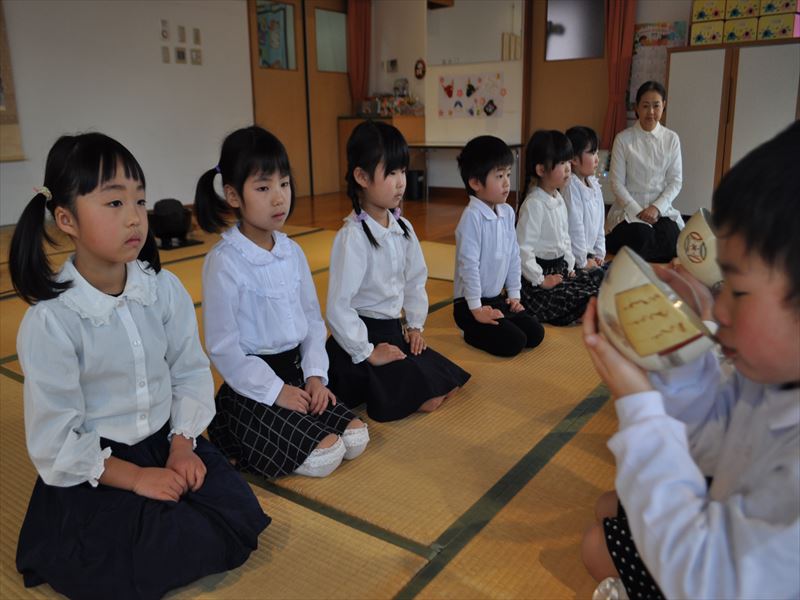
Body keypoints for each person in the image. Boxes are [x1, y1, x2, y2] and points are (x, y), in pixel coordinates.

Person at [9, 133, 269, 599]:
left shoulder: (162, 290)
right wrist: (137, 478)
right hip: (100, 468)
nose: (134, 217)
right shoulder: (51, 321)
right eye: (114, 202)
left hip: (163, 443)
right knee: (146, 549)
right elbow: (56, 440)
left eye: (140, 200)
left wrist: (183, 444)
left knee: (235, 510)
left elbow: (189, 370)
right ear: (66, 219)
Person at [581, 121, 800, 599]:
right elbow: (708, 442)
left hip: (708, 574)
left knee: (598, 541)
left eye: (738, 290)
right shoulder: (771, 376)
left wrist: (638, 404)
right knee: (607, 508)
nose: (720, 310)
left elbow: (708, 580)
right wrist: (681, 354)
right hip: (718, 525)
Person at [195, 126, 369, 479]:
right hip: (254, 387)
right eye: (263, 188)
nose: (279, 198)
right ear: (233, 195)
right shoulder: (224, 261)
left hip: (298, 374)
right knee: (327, 455)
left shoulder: (292, 251)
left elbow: (312, 322)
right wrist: (276, 392)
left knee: (356, 437)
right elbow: (224, 348)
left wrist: (316, 376)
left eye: (284, 184)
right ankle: (240, 435)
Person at [325, 121, 470, 422]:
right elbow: (339, 306)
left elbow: (415, 281)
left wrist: (415, 327)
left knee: (449, 382)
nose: (401, 182)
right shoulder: (352, 237)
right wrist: (367, 352)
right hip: (361, 337)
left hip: (394, 331)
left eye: (403, 171)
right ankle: (364, 375)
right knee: (429, 399)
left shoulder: (403, 228)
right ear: (362, 177)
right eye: (391, 173)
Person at [452, 135, 545, 357]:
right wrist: (476, 309)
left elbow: (513, 256)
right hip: (469, 304)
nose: (506, 183)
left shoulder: (507, 212)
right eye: (499, 176)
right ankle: (470, 331)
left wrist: (514, 296)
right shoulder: (472, 218)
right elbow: (468, 267)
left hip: (497, 299)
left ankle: (495, 320)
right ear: (475, 183)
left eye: (508, 175)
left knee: (535, 333)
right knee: (514, 343)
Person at [516, 130, 603, 326]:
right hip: (538, 279)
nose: (568, 169)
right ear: (541, 169)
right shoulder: (534, 204)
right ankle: (578, 312)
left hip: (559, 270)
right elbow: (523, 250)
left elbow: (565, 239)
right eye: (562, 163)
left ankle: (583, 310)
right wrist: (541, 280)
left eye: (568, 162)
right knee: (583, 296)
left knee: (597, 279)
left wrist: (570, 266)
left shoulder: (557, 198)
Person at [606, 81, 684, 263]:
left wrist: (656, 208)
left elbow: (675, 181)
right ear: (637, 108)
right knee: (641, 235)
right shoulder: (623, 139)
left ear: (663, 106)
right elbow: (616, 183)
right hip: (629, 211)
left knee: (672, 236)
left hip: (660, 211)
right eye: (645, 106)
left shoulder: (671, 139)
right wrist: (638, 211)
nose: (651, 112)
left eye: (656, 106)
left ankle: (638, 254)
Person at [563, 126, 606, 271]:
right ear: (574, 159)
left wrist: (599, 253)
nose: (597, 159)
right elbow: (575, 228)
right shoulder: (571, 186)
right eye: (592, 153)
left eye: (597, 153)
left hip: (590, 255)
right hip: (575, 258)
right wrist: (582, 261)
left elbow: (600, 224)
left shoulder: (594, 184)